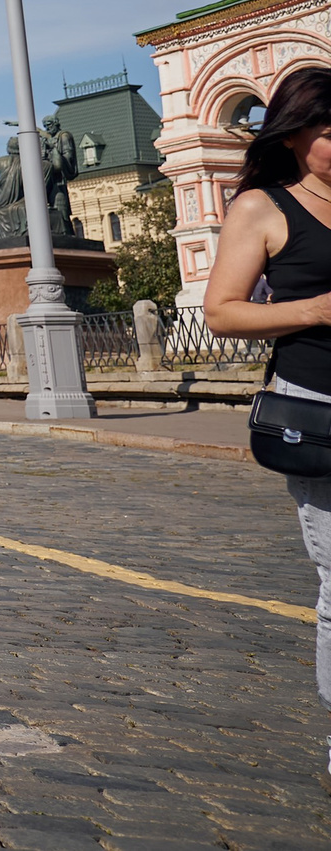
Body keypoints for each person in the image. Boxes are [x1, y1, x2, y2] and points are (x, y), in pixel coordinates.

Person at [203, 64, 331, 758]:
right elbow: (221, 312)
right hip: (319, 406)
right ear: (291, 136)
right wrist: (316, 310)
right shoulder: (262, 206)